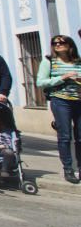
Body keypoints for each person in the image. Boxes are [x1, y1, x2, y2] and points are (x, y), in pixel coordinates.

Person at [36, 34, 81, 184]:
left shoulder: (78, 61)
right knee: (65, 136)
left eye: (61, 43)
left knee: (80, 137)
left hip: (78, 100)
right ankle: (68, 168)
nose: (58, 45)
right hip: (60, 100)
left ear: (70, 45)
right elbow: (40, 82)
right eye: (55, 43)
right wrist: (63, 77)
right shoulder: (49, 62)